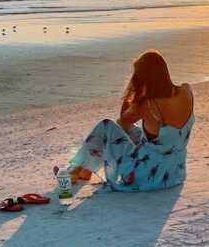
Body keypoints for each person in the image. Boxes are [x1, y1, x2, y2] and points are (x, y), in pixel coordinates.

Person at [65, 50, 194, 192]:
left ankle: (76, 170)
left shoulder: (147, 104)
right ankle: (85, 170)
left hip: (147, 175)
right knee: (140, 134)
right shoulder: (186, 91)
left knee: (106, 125)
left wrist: (134, 90)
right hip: (174, 174)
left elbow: (122, 124)